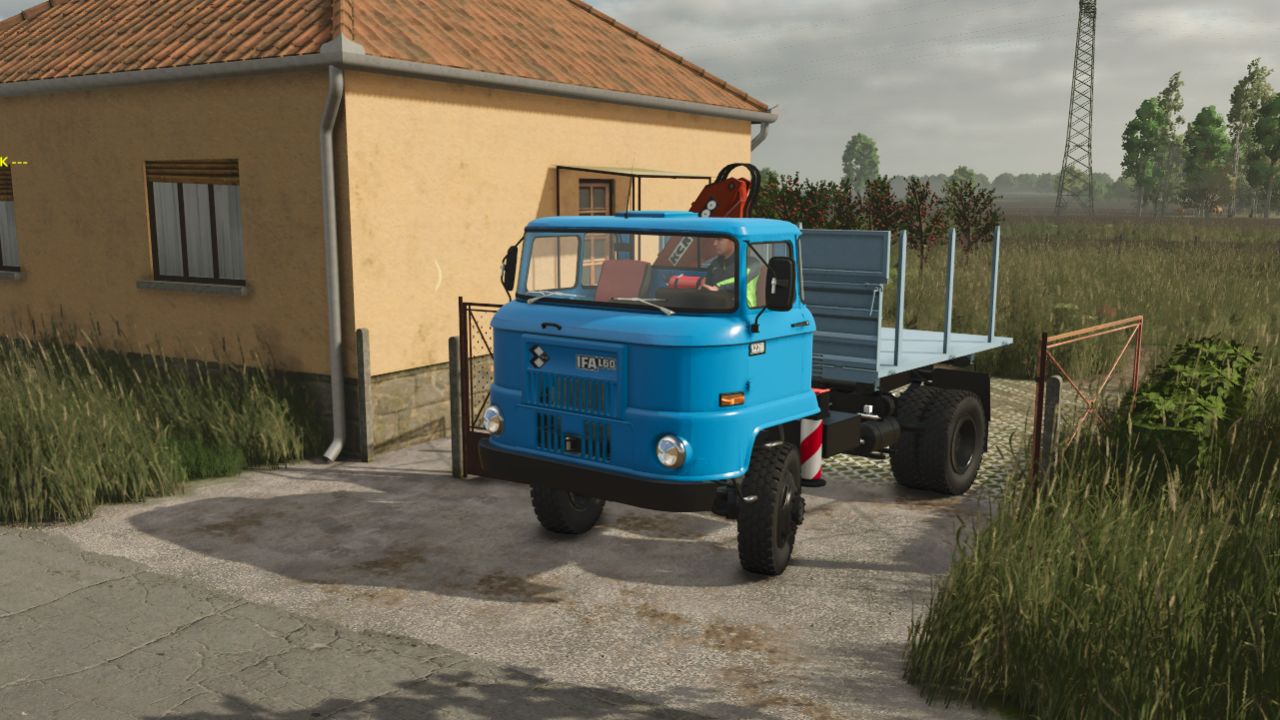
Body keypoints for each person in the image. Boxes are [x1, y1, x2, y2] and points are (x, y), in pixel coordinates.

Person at [702, 237, 761, 302]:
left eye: (720, 239)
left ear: (733, 241)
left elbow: (741, 279)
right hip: (720, 305)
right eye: (715, 239)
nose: (715, 243)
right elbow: (707, 284)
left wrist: (718, 287)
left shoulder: (751, 263)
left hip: (743, 307)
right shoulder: (715, 264)